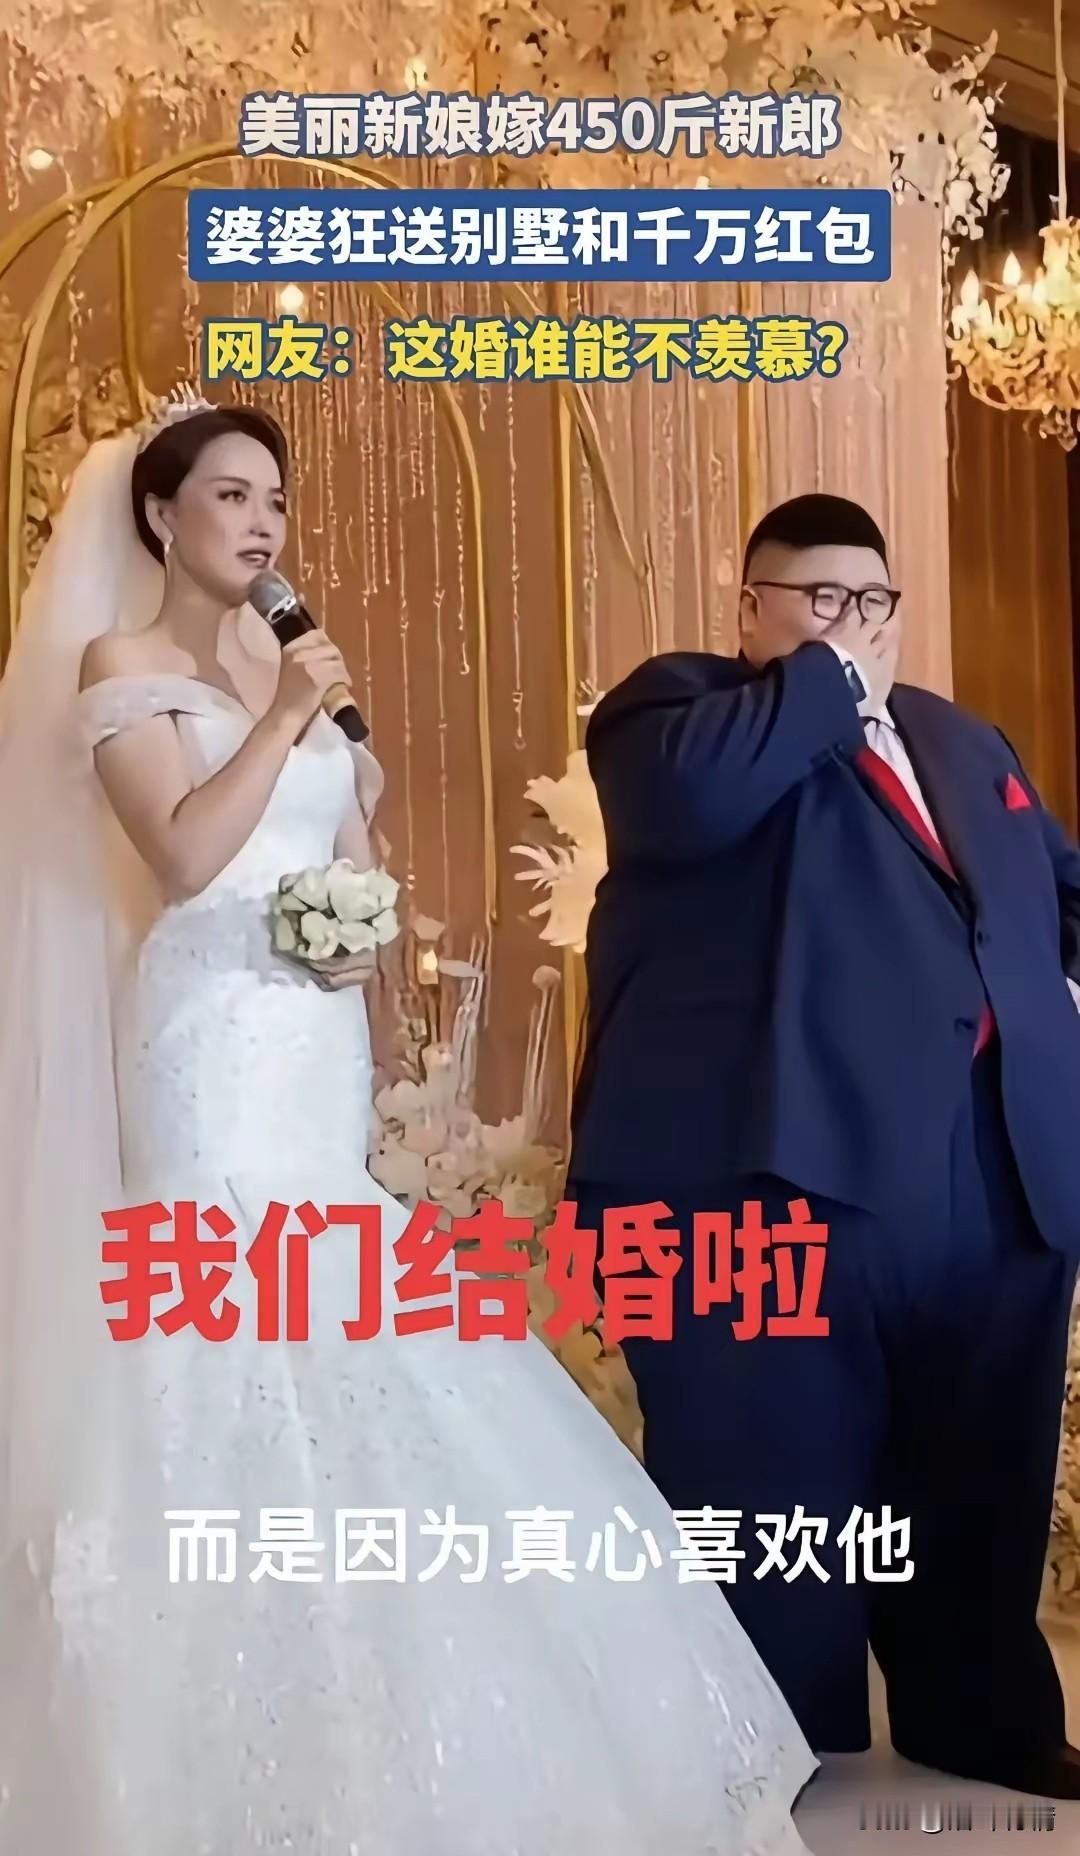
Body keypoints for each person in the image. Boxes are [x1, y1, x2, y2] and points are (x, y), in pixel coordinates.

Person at [0, 391, 815, 1855]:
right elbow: (183, 854)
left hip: (306, 1044)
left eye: (277, 500)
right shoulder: (124, 666)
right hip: (203, 1049)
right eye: (233, 494)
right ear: (162, 517)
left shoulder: (289, 667)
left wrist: (357, 932)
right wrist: (286, 718)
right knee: (231, 1340)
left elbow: (357, 862)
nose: (263, 523)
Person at [568, 493, 1080, 1798]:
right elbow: (694, 803)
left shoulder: (964, 742)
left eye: (873, 602)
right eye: (817, 600)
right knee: (768, 1475)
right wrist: (825, 680)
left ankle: (983, 1718)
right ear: (749, 610)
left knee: (978, 1462)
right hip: (766, 1172)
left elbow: (1053, 896)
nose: (853, 625)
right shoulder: (678, 714)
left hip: (989, 1165)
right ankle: (765, 1744)